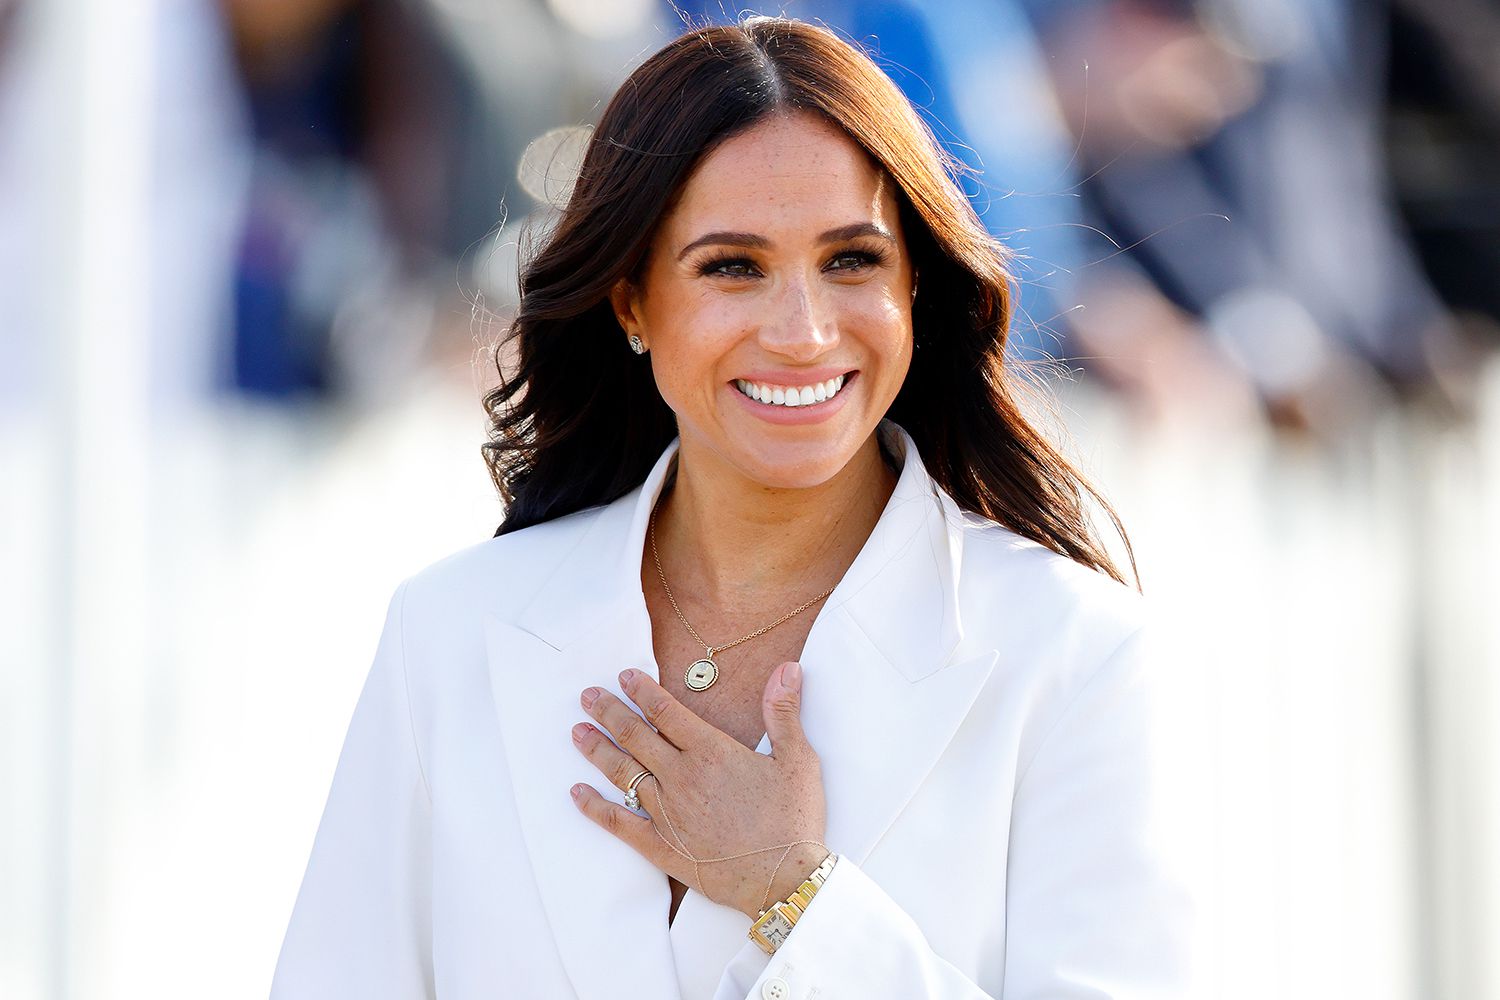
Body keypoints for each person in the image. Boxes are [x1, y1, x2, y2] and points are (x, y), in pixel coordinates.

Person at [270, 16, 1199, 999]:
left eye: (852, 261)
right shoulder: (447, 634)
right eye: (733, 266)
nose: (801, 331)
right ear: (630, 302)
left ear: (916, 289)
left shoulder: (1073, 654)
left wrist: (791, 891)